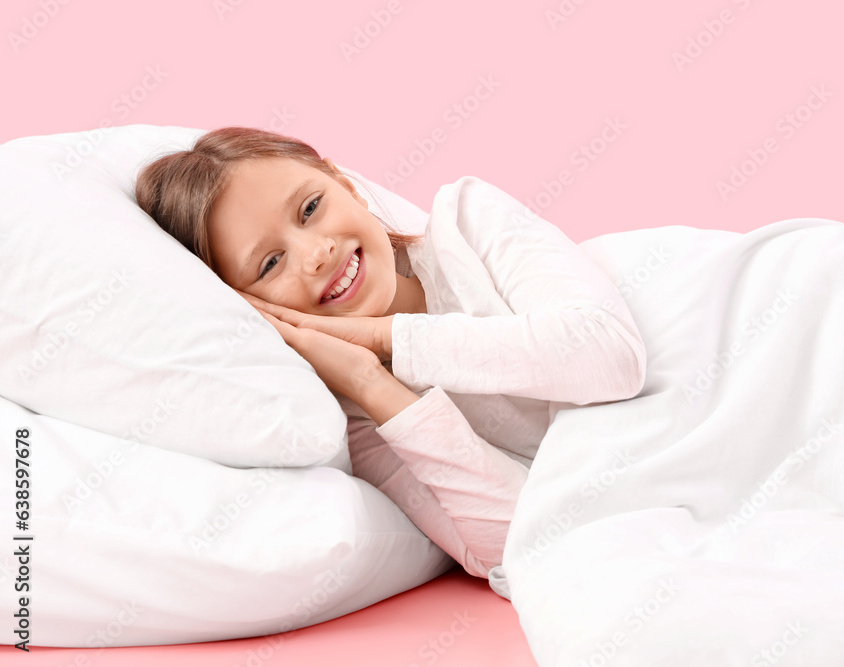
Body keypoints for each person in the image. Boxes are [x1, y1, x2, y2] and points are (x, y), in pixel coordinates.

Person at [134, 126, 647, 588]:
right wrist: (371, 382)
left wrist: (386, 339)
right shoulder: (368, 423)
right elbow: (523, 547)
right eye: (270, 263)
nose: (315, 254)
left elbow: (611, 356)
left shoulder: (469, 223)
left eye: (311, 209)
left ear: (345, 185)